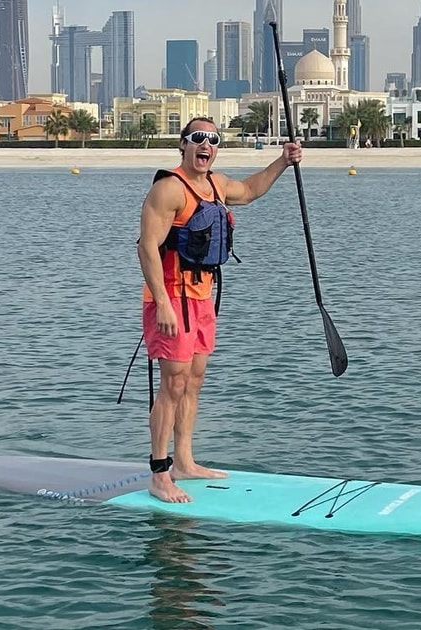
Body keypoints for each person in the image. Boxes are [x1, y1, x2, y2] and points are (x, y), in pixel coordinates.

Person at [137, 117, 302, 503]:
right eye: (197, 138)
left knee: (193, 380)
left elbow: (251, 190)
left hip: (202, 297)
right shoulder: (169, 189)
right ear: (183, 144)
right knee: (173, 384)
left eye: (212, 140)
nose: (205, 145)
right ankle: (159, 473)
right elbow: (146, 248)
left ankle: (184, 462)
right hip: (172, 298)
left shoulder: (216, 185)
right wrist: (162, 303)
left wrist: (283, 160)